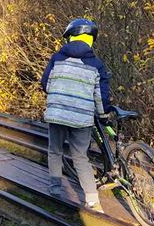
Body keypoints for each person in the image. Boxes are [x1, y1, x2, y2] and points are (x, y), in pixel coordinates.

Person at [40, 18, 111, 212]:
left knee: (55, 150)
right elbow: (101, 96)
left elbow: (45, 84)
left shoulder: (57, 58)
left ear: (70, 37)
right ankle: (92, 200)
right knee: (80, 157)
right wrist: (103, 115)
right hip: (82, 119)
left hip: (57, 114)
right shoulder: (97, 64)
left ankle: (55, 188)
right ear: (91, 40)